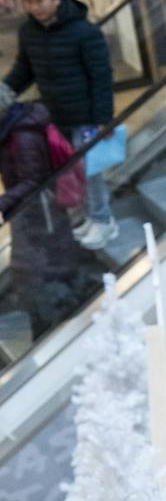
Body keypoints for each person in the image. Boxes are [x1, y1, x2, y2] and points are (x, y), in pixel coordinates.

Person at [1, 0, 116, 250]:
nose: (35, 7)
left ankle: (104, 222)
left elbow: (101, 77)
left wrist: (103, 120)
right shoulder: (29, 32)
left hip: (85, 117)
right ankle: (86, 219)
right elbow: (24, 70)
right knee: (67, 174)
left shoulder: (84, 32)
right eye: (29, 2)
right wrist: (4, 89)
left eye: (40, 1)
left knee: (91, 172)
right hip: (54, 117)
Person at [0, 101, 80, 338]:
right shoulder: (11, 127)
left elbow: (33, 180)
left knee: (35, 270)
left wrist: (3, 203)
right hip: (32, 210)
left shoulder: (22, 135)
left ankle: (51, 327)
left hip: (40, 211)